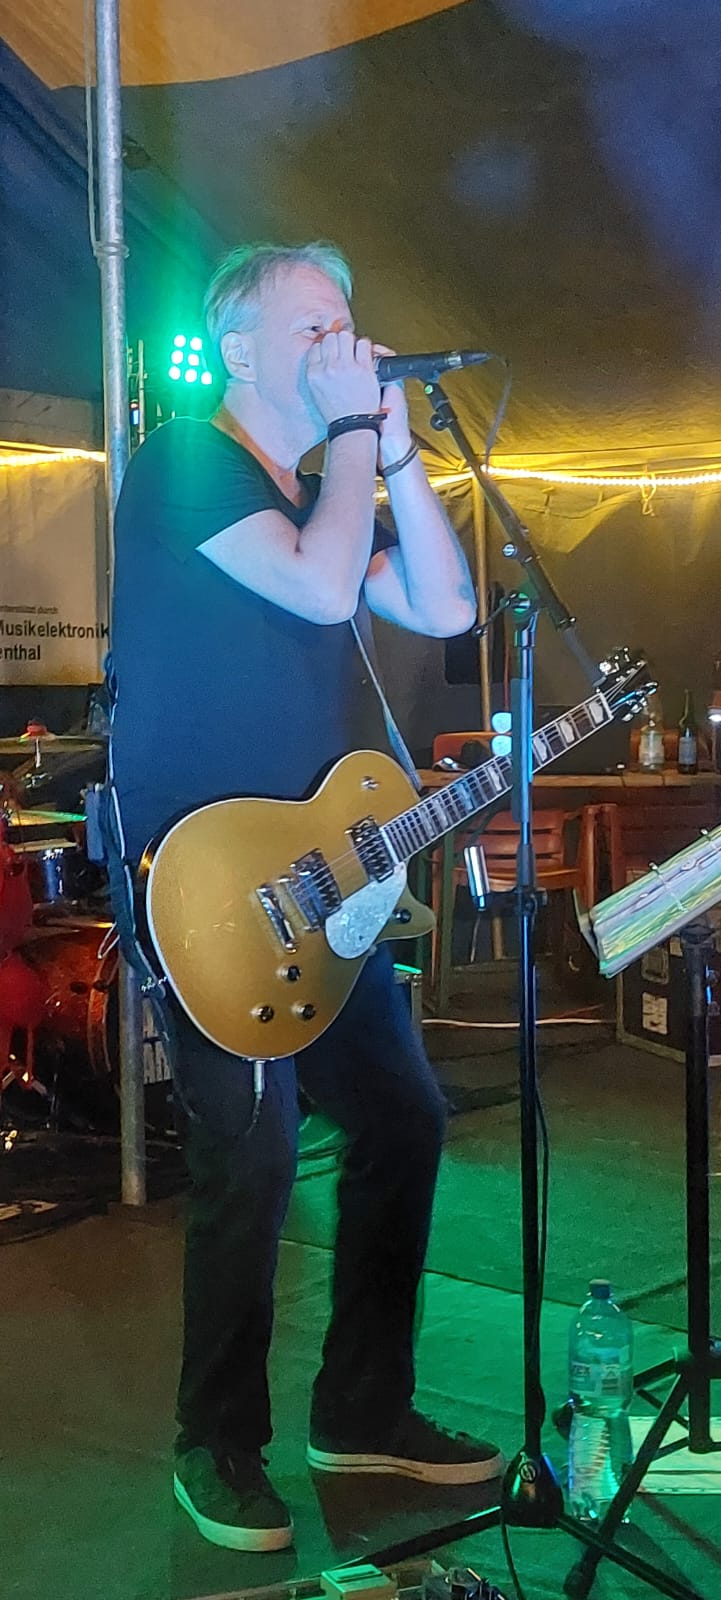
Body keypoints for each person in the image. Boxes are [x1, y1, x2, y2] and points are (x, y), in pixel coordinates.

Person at [110, 241, 504, 1552]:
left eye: (350, 322)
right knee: (255, 1154)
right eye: (315, 326)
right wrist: (349, 440)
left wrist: (396, 456)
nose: (347, 344)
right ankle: (213, 1442)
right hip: (210, 885)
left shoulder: (337, 485)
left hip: (328, 884)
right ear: (238, 349)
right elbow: (323, 584)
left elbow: (444, 603)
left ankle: (364, 1410)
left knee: (402, 1120)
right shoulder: (186, 462)